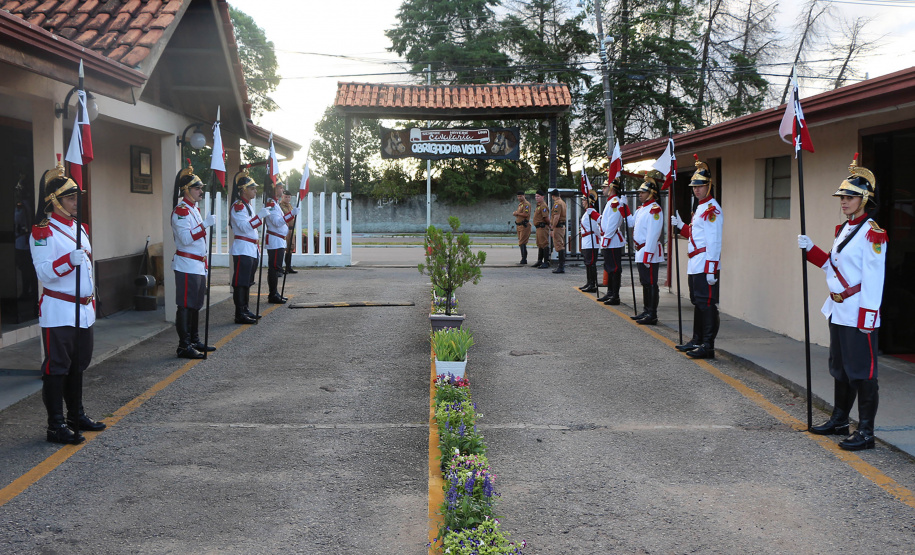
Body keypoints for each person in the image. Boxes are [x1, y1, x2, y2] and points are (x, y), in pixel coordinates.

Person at [798, 155, 886, 451]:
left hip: (859, 311)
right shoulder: (845, 230)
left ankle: (866, 432)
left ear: (863, 199)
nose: (843, 201)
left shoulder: (873, 232)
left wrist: (869, 316)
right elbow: (833, 268)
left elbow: (874, 278)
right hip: (838, 309)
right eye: (842, 197)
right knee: (841, 368)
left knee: (863, 372)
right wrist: (811, 250)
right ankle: (839, 420)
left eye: (849, 197)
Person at [30, 158, 106, 444]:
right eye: (70, 198)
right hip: (60, 308)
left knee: (78, 364)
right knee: (57, 367)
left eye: (75, 197)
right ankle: (56, 425)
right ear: (54, 201)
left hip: (83, 309)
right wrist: (66, 262)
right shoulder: (42, 231)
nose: (76, 202)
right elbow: (44, 273)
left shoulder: (80, 228)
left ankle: (76, 414)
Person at [671, 156, 723, 359]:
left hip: (704, 264)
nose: (696, 189)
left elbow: (714, 242)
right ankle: (697, 339)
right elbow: (696, 236)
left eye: (700, 186)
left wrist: (712, 269)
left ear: (709, 186)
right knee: (697, 302)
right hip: (695, 262)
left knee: (706, 304)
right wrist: (682, 226)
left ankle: (707, 345)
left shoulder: (712, 209)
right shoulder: (700, 208)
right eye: (694, 186)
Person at [171, 161, 217, 359]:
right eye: (197, 188)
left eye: (200, 188)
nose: (200, 191)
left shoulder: (193, 210)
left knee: (196, 304)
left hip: (198, 264)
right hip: (186, 264)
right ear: (186, 190)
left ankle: (194, 339)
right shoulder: (181, 211)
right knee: (186, 305)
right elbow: (186, 238)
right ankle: (183, 345)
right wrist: (205, 225)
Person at [229, 169, 269, 324]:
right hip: (243, 247)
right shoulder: (238, 206)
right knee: (240, 282)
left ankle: (245, 309)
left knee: (247, 282)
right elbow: (245, 227)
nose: (255, 191)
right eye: (252, 188)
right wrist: (260, 217)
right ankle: (239, 313)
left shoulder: (248, 206)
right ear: (243, 190)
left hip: (251, 248)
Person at [631, 174, 665, 325]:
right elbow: (632, 222)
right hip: (640, 250)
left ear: (651, 193)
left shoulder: (655, 210)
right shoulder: (641, 209)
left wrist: (648, 254)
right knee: (645, 282)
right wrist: (623, 209)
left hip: (648, 251)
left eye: (642, 192)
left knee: (651, 283)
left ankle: (652, 314)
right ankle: (646, 311)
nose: (640, 194)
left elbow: (653, 233)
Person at [597, 180, 633, 305]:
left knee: (614, 268)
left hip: (612, 240)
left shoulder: (615, 202)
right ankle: (610, 292)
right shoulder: (610, 202)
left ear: (611, 188)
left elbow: (612, 223)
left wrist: (606, 240)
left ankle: (615, 295)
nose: (603, 189)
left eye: (605, 187)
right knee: (609, 267)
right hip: (609, 239)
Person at [264, 182, 299, 304]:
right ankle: (272, 294)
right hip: (274, 239)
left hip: (278, 239)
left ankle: (275, 292)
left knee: (276, 267)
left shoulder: (274, 203)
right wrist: (291, 214)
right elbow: (277, 222)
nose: (282, 190)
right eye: (280, 187)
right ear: (274, 189)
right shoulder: (271, 203)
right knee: (274, 269)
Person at [578, 190, 602, 292]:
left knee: (591, 262)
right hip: (586, 240)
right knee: (587, 262)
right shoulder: (587, 212)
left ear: (589, 201)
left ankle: (593, 284)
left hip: (591, 239)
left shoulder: (592, 212)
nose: (582, 202)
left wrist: (597, 236)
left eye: (584, 200)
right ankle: (589, 282)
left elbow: (597, 227)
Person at [549, 188, 567, 274]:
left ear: (553, 196)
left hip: (558, 227)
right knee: (560, 245)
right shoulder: (563, 202)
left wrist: (552, 227)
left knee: (559, 246)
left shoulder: (557, 204)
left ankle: (561, 267)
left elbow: (556, 217)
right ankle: (561, 266)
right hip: (561, 226)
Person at [532, 190, 550, 268]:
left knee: (544, 244)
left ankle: (546, 262)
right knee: (540, 244)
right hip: (539, 227)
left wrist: (550, 225)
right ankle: (539, 261)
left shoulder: (543, 206)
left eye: (538, 196)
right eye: (536, 196)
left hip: (543, 227)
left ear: (543, 197)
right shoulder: (538, 205)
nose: (537, 198)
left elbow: (546, 217)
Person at [280, 190, 297, 274]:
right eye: (285, 197)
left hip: (291, 228)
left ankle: (288, 267)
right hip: (285, 228)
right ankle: (280, 268)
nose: (287, 198)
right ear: (282, 197)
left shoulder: (289, 205)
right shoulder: (279, 206)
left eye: (289, 197)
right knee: (283, 248)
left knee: (290, 247)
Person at [512, 191, 532, 265]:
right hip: (519, 225)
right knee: (520, 242)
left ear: (524, 196)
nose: (519, 198)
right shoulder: (520, 204)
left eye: (521, 196)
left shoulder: (526, 204)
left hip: (524, 225)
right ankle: (523, 258)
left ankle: (524, 259)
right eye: (518, 196)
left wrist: (517, 213)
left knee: (522, 242)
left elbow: (526, 214)